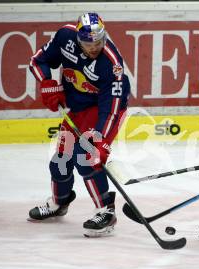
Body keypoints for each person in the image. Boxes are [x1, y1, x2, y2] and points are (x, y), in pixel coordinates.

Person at [27, 12, 130, 238]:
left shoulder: (112, 64)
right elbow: (37, 60)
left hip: (104, 111)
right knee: (60, 161)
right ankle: (59, 202)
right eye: (87, 43)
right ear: (78, 39)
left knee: (87, 158)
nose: (94, 47)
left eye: (98, 41)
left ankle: (106, 211)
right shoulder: (65, 36)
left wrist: (101, 141)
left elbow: (111, 107)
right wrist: (47, 83)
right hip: (76, 110)